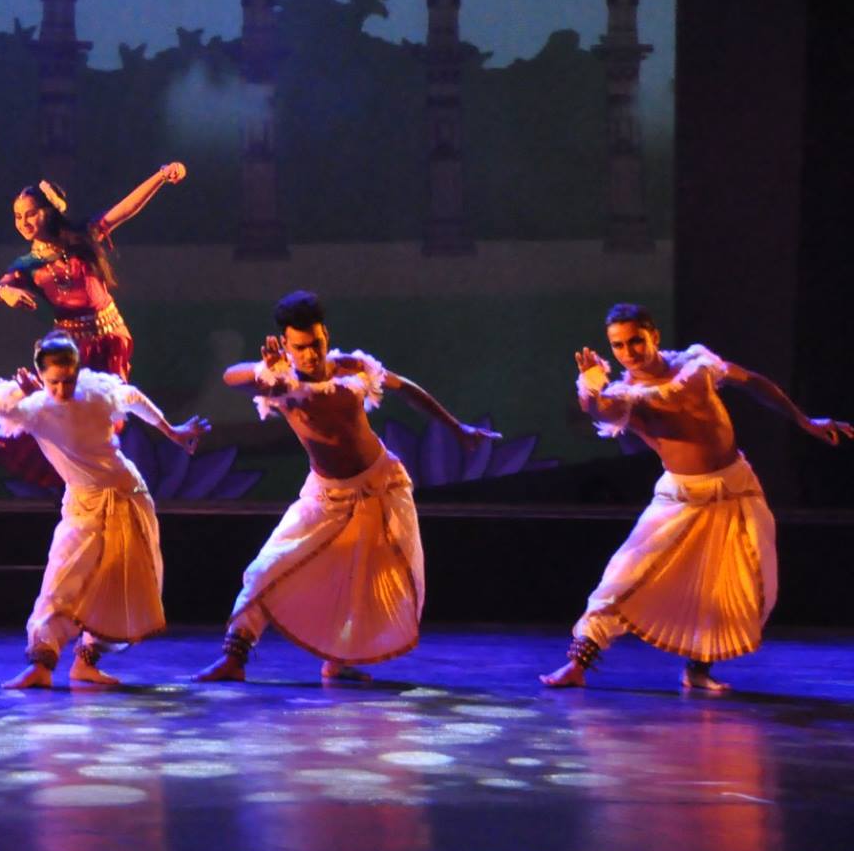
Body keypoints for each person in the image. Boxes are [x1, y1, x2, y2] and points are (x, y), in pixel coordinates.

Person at [540, 303, 850, 692]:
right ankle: (577, 663)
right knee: (624, 576)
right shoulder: (628, 396)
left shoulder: (696, 365)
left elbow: (752, 381)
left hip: (737, 486)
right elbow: (598, 409)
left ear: (653, 335)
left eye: (635, 340)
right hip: (682, 497)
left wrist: (805, 421)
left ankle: (698, 670)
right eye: (618, 346)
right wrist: (591, 384)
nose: (629, 352)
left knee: (734, 583)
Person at [195, 291, 498, 684]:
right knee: (266, 568)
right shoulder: (278, 382)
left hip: (382, 485)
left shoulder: (348, 368)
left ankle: (339, 660)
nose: (311, 355)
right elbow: (230, 377)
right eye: (301, 348)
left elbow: (405, 388)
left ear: (326, 336)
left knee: (368, 578)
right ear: (286, 346)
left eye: (317, 344)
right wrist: (263, 371)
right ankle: (234, 658)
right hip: (327, 494)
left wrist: (457, 428)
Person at [0, 332, 207, 688]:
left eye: (68, 380)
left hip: (127, 493)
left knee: (117, 583)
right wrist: (23, 392)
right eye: (54, 381)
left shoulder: (97, 394)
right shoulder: (35, 408)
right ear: (41, 376)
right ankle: (41, 664)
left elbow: (132, 398)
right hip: (84, 503)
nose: (62, 389)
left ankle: (86, 662)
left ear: (77, 371)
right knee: (62, 579)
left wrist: (172, 431)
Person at [0, 163, 188, 503]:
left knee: (105, 420)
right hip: (69, 351)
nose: (23, 223)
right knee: (37, 415)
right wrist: (4, 294)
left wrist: (159, 176)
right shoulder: (27, 264)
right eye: (18, 217)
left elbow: (125, 209)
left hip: (111, 342)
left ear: (49, 212)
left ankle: (92, 490)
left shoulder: (83, 238)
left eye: (31, 214)